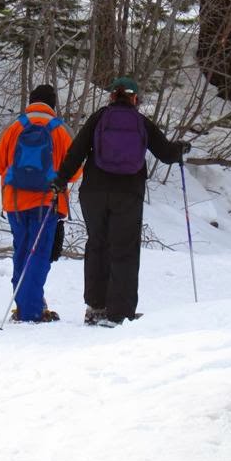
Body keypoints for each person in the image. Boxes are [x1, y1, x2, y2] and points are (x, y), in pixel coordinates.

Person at [52, 76, 191, 328]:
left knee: (97, 245)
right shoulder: (141, 122)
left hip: (94, 192)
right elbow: (167, 153)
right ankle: (120, 313)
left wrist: (60, 180)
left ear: (112, 96)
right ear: (135, 99)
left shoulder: (98, 119)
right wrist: (181, 148)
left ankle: (95, 307)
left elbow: (76, 151)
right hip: (128, 193)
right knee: (124, 250)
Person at [0, 84, 81, 323]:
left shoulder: (15, 127)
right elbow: (74, 171)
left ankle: (24, 304)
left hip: (15, 202)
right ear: (53, 104)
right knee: (39, 255)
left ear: (31, 101)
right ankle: (31, 310)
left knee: (21, 252)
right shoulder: (60, 130)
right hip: (47, 202)